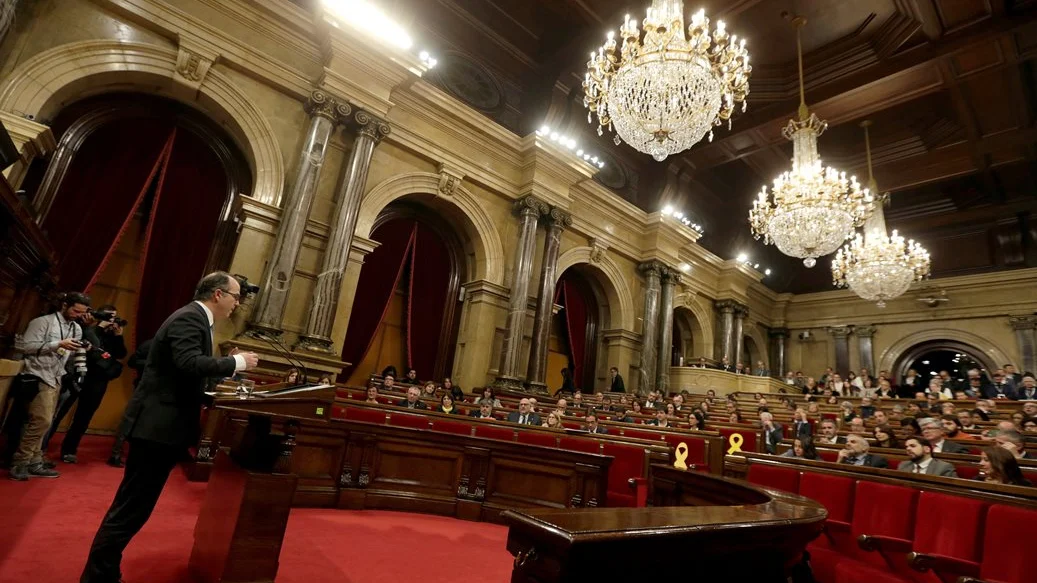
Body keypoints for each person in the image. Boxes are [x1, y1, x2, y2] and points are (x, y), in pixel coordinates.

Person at [81, 272, 259, 582]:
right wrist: (237, 363)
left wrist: (215, 381)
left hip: (162, 428)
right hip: (156, 429)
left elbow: (183, 373)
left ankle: (104, 572)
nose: (237, 302)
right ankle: (97, 576)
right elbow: (189, 362)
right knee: (130, 509)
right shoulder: (190, 318)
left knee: (134, 508)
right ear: (217, 294)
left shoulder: (196, 319)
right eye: (235, 295)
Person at [7, 292, 91, 480]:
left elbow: (75, 351)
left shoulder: (76, 328)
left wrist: (83, 350)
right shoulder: (42, 321)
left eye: (82, 312)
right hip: (36, 374)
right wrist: (57, 344)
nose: (78, 315)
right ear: (64, 305)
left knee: (45, 423)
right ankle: (20, 462)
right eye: (75, 310)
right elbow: (26, 346)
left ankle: (35, 462)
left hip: (57, 376)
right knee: (42, 421)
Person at [46, 304, 128, 463]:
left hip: (98, 380)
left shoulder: (112, 335)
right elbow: (89, 346)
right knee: (58, 412)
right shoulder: (87, 329)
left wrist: (118, 336)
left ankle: (69, 450)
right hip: (77, 375)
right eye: (110, 316)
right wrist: (98, 329)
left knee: (83, 418)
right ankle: (42, 446)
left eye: (114, 317)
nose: (112, 320)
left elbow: (120, 354)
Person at [108, 338, 154, 467]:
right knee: (129, 420)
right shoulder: (151, 344)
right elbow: (132, 362)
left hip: (161, 390)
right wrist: (153, 364)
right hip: (143, 387)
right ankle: (115, 454)